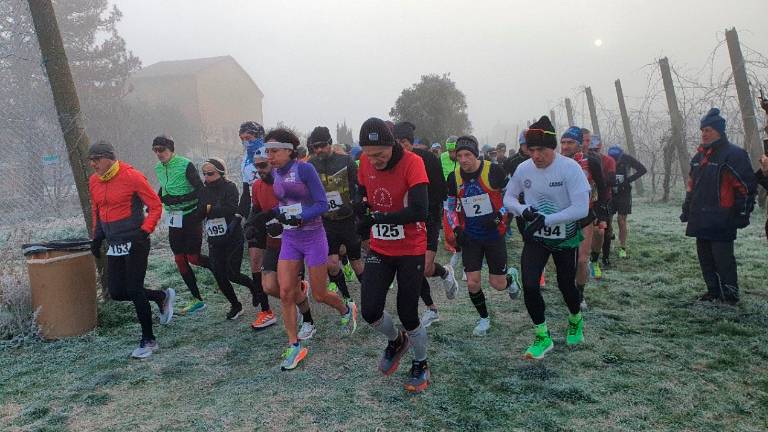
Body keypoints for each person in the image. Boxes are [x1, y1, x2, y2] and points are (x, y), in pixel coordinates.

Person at [258, 128, 357, 371]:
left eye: (274, 151)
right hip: (291, 238)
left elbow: (322, 204)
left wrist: (300, 216)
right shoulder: (275, 174)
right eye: (267, 151)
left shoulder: (304, 169)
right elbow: (283, 204)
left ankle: (347, 308)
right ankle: (294, 345)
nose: (269, 156)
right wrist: (274, 216)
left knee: (320, 294)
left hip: (314, 236)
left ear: (289, 150)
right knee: (285, 292)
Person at [503, 116, 590, 359]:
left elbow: (581, 208)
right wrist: (523, 210)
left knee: (566, 286)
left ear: (552, 147)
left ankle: (575, 319)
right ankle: (542, 336)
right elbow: (508, 198)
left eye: (541, 149)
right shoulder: (524, 168)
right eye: (531, 150)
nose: (536, 155)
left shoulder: (569, 168)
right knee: (530, 285)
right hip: (536, 237)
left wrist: (548, 219)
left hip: (564, 237)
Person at [356, 117, 431, 393]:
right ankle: (397, 340)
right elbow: (363, 190)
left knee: (408, 312)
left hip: (410, 247)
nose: (374, 160)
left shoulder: (413, 162)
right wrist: (359, 206)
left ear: (393, 145)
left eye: (380, 154)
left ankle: (421, 362)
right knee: (370, 310)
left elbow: (420, 210)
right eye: (368, 155)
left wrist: (377, 219)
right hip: (381, 247)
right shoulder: (365, 162)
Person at [88, 141, 173, 359]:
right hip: (115, 243)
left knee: (134, 289)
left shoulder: (131, 176)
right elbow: (97, 209)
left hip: (136, 240)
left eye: (97, 159)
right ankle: (161, 296)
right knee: (117, 292)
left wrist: (144, 232)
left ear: (109, 158)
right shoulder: (94, 181)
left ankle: (149, 340)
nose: (93, 164)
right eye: (91, 160)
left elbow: (155, 206)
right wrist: (97, 237)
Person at [680, 108, 756, 304]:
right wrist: (687, 209)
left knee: (723, 260)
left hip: (723, 218)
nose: (704, 134)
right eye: (702, 130)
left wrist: (742, 213)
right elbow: (691, 186)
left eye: (708, 130)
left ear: (719, 131)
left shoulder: (734, 154)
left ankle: (730, 297)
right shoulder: (699, 158)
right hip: (700, 218)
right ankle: (713, 292)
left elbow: (745, 187)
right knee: (705, 259)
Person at [446, 135, 518, 336]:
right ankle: (484, 318)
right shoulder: (454, 178)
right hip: (471, 236)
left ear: (475, 154)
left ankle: (511, 278)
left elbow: (511, 197)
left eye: (467, 154)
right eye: (459, 155)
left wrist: (499, 216)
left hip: (494, 234)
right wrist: (456, 228)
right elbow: (449, 206)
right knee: (472, 282)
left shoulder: (493, 170)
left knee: (498, 284)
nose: (463, 159)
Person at [393, 121, 459, 328]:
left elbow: (440, 192)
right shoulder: (392, 163)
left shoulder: (428, 159)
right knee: (415, 268)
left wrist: (427, 213)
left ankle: (445, 272)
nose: (399, 146)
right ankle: (432, 310)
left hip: (428, 218)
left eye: (403, 142)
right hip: (406, 221)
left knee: (425, 267)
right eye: (396, 142)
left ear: (410, 142)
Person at [244, 148, 315, 334]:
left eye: (263, 165)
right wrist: (251, 224)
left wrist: (283, 223)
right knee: (268, 286)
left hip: (294, 242)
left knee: (288, 288)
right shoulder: (257, 185)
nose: (259, 169)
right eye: (256, 166)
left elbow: (302, 209)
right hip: (273, 243)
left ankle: (308, 321)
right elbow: (256, 209)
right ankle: (299, 298)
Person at [198, 158, 266, 321]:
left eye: (210, 173)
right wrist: (210, 209)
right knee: (219, 275)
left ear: (220, 172)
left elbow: (230, 208)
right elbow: (200, 212)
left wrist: (209, 209)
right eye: (204, 174)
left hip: (232, 236)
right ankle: (235, 305)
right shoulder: (203, 190)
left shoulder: (230, 187)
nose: (206, 177)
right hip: (214, 239)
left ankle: (253, 287)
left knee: (232, 274)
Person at [152, 135, 211, 315]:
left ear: (171, 149)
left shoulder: (185, 164)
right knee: (179, 259)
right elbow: (165, 186)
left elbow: (201, 189)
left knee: (193, 258)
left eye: (161, 149)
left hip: (190, 215)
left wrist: (182, 199)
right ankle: (197, 300)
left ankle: (222, 269)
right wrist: (159, 197)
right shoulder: (158, 168)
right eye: (155, 150)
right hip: (174, 218)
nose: (158, 153)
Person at [307, 126, 364, 305]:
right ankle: (347, 299)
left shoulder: (346, 160)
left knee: (356, 263)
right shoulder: (310, 165)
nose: (319, 150)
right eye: (315, 147)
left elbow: (359, 185)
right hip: (326, 222)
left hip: (348, 220)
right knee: (331, 265)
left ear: (330, 143)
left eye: (322, 145)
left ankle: (370, 295)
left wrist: (356, 204)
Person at [560, 127, 609, 309]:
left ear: (579, 145)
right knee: (566, 262)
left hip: (585, 215)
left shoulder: (592, 162)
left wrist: (601, 214)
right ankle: (567, 289)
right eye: (563, 142)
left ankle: (579, 295)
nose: (565, 147)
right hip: (563, 217)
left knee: (582, 260)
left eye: (570, 143)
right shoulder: (554, 162)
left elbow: (603, 188)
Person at [237, 121, 272, 324]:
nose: (245, 142)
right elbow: (245, 192)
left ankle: (299, 289)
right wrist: (240, 217)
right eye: (242, 139)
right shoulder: (244, 160)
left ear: (259, 135)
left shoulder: (270, 153)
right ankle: (266, 310)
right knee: (255, 259)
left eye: (249, 138)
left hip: (275, 208)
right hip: (256, 212)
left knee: (285, 260)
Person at [606, 145, 647, 259]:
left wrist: (628, 180)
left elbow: (643, 169)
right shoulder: (606, 159)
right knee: (607, 221)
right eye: (612, 159)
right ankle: (610, 238)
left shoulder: (627, 158)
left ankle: (622, 248)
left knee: (621, 220)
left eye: (616, 159)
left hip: (624, 193)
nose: (614, 161)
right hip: (610, 194)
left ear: (621, 156)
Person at [587, 134, 615, 277]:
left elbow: (611, 180)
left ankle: (600, 259)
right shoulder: (580, 160)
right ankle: (585, 260)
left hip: (603, 200)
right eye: (591, 149)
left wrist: (599, 179)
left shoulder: (608, 160)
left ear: (600, 147)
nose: (593, 152)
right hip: (586, 202)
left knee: (603, 231)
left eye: (596, 150)